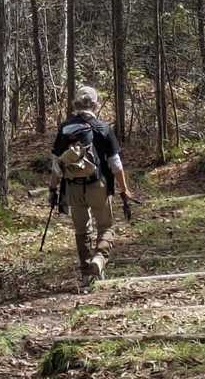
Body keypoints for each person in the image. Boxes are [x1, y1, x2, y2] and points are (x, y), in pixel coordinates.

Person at [50, 85, 136, 285]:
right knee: (106, 226)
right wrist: (124, 189)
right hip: (98, 185)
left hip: (73, 187)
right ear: (96, 105)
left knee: (82, 230)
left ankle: (86, 273)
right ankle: (99, 259)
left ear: (76, 104)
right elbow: (116, 164)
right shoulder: (103, 128)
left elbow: (56, 164)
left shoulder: (65, 128)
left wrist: (53, 189)